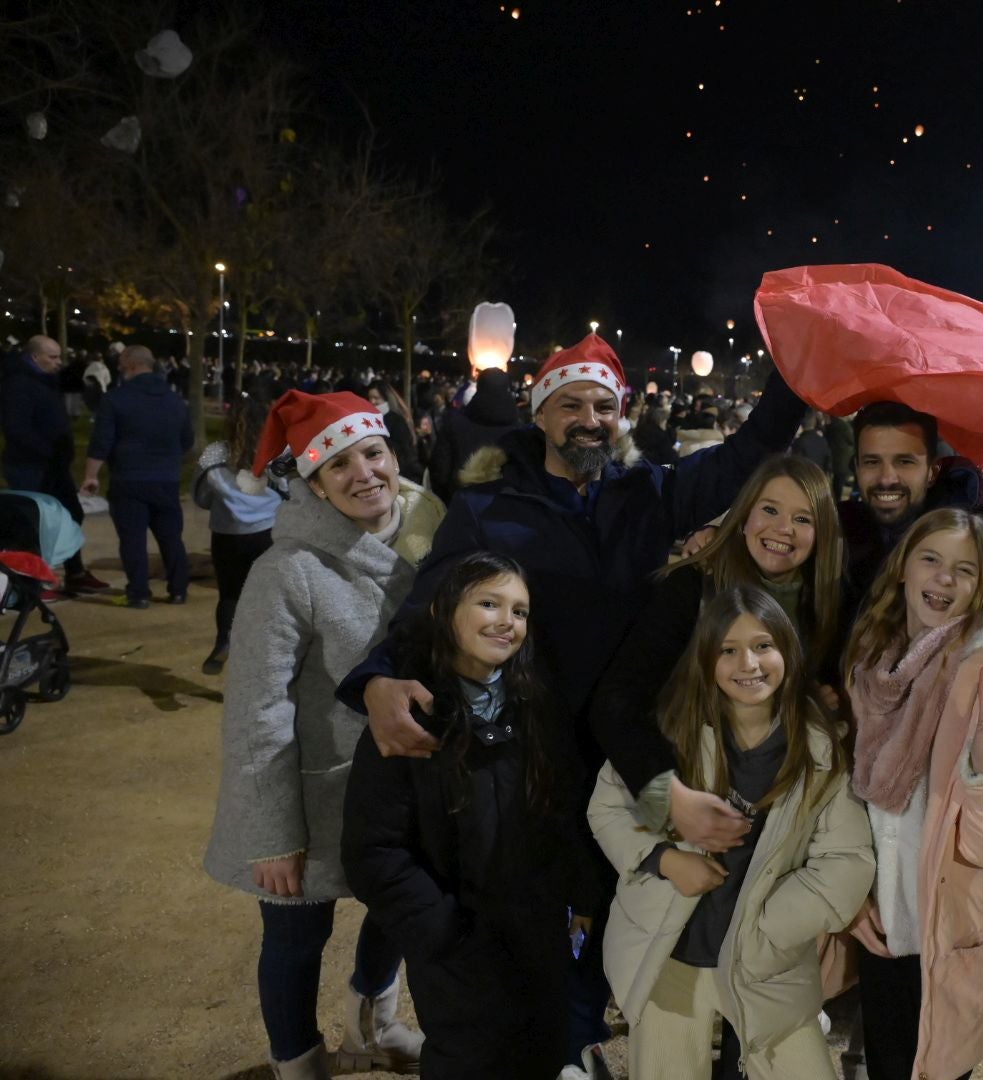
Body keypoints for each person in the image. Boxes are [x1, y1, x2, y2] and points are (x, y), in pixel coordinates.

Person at [338, 333, 806, 1073]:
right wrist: (375, 679)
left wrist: (800, 373)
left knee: (635, 909)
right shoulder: (490, 507)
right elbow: (431, 605)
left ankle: (595, 1042)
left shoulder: (651, 492)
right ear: (540, 414)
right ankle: (571, 1048)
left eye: (603, 406)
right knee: (560, 924)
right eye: (571, 405)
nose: (590, 419)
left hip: (634, 748)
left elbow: (750, 453)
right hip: (535, 760)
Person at [203, 390, 444, 1080]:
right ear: (312, 483)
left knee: (399, 910)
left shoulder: (434, 539)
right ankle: (297, 1063)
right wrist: (271, 831)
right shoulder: (286, 571)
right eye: (338, 465)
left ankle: (377, 1023)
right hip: (310, 795)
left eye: (373, 453)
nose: (363, 473)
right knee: (295, 937)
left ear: (394, 454)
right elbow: (257, 709)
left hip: (403, 780)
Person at [588, 587, 874, 1080]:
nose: (749, 663)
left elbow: (846, 861)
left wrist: (769, 925)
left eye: (764, 645)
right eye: (728, 650)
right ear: (706, 658)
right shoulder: (674, 734)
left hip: (765, 962)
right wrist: (665, 860)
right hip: (669, 955)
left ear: (788, 651)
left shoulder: (817, 750)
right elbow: (611, 809)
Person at [343, 552, 591, 1078]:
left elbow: (565, 813)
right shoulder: (408, 720)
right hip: (456, 953)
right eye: (488, 603)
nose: (508, 621)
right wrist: (446, 936)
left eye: (520, 611)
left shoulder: (538, 707)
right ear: (441, 610)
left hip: (539, 939)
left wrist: (575, 898)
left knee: (543, 1051)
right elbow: (374, 852)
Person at [843, 509, 983, 1080]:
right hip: (878, 917)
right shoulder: (872, 664)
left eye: (965, 570)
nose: (944, 580)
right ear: (901, 567)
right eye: (931, 559)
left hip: (942, 930)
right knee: (884, 1061)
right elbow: (849, 801)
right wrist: (849, 892)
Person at [589, 454, 842, 838]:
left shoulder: (822, 605)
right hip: (691, 802)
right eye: (770, 509)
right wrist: (670, 799)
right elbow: (615, 703)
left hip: (771, 815)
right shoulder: (693, 587)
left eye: (803, 518)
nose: (783, 528)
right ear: (742, 517)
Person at [840, 400, 983, 626]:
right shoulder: (838, 531)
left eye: (905, 462)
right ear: (857, 468)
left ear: (932, 472)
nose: (886, 479)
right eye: (872, 462)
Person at [79, 345, 194, 608]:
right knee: (171, 538)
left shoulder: (116, 399)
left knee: (133, 540)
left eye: (120, 365)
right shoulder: (175, 400)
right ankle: (178, 590)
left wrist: (91, 476)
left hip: (129, 479)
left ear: (130, 366)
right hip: (166, 479)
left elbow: (101, 442)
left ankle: (139, 593)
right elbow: (187, 440)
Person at [1, 335, 109, 595]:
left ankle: (75, 571)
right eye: (53, 357)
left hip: (53, 467)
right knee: (35, 523)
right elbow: (17, 429)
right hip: (31, 467)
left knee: (71, 515)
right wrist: (48, 452)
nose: (59, 362)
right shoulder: (18, 384)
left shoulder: (44, 381)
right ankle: (32, 580)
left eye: (60, 356)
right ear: (34, 357)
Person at [192, 397, 285, 674]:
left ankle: (225, 639)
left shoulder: (213, 455)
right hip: (267, 533)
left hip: (227, 535)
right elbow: (290, 491)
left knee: (230, 594)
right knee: (269, 596)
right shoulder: (276, 453)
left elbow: (200, 496)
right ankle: (266, 654)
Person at [428, 366, 524, 501]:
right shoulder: (520, 430)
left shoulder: (454, 423)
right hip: (507, 511)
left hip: (460, 508)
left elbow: (439, 472)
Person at [367, 380, 424, 484]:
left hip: (398, 472)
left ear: (385, 398)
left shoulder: (396, 420)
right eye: (370, 398)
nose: (372, 402)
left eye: (376, 398)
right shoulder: (367, 420)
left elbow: (403, 448)